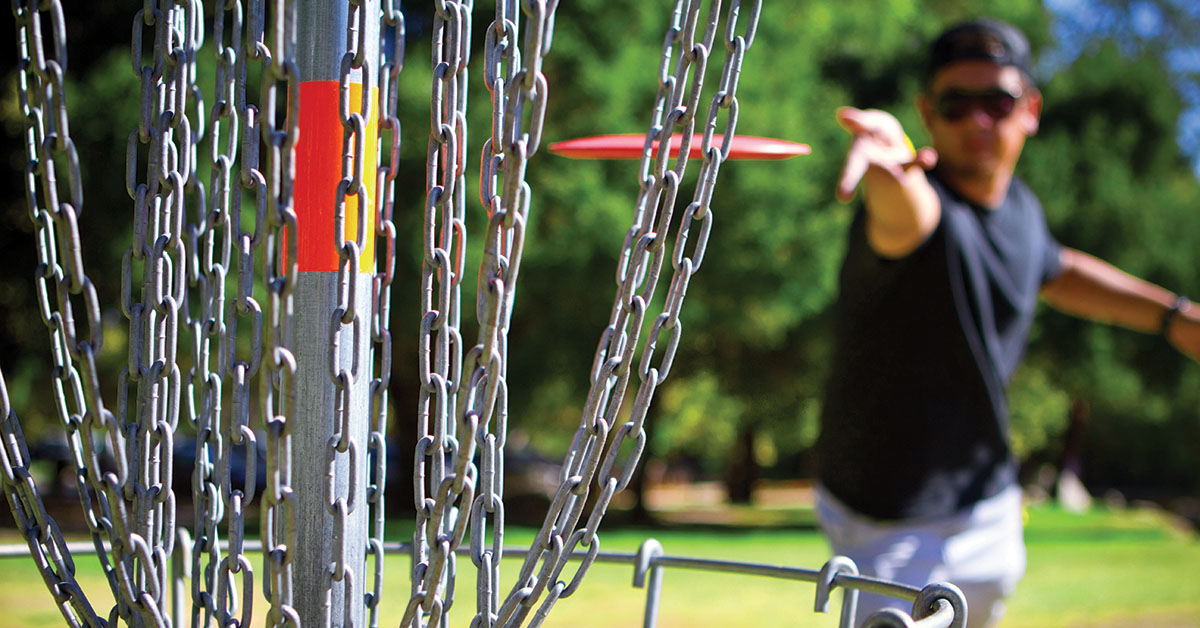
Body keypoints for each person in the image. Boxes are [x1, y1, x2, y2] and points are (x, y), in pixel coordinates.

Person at [816, 17, 1200, 628]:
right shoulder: (921, 201)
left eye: (997, 101)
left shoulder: (1020, 209)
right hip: (889, 521)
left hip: (990, 502)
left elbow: (1055, 266)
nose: (977, 121)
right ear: (927, 112)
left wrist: (1175, 317)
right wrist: (891, 166)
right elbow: (905, 217)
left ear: (1031, 109)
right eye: (955, 103)